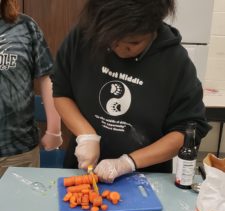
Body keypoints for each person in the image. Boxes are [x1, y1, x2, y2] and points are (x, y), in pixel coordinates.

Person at [52, 0, 211, 183]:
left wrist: (128, 162)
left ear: (153, 30)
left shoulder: (175, 62)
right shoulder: (83, 37)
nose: (119, 50)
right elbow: (61, 92)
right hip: (82, 171)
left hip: (147, 177)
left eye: (132, 44)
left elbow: (188, 130)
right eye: (110, 41)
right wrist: (86, 135)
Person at [0, 0, 62, 177]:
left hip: (19, 151)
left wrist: (54, 129)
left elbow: (47, 76)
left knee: (20, 205)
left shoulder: (26, 26)